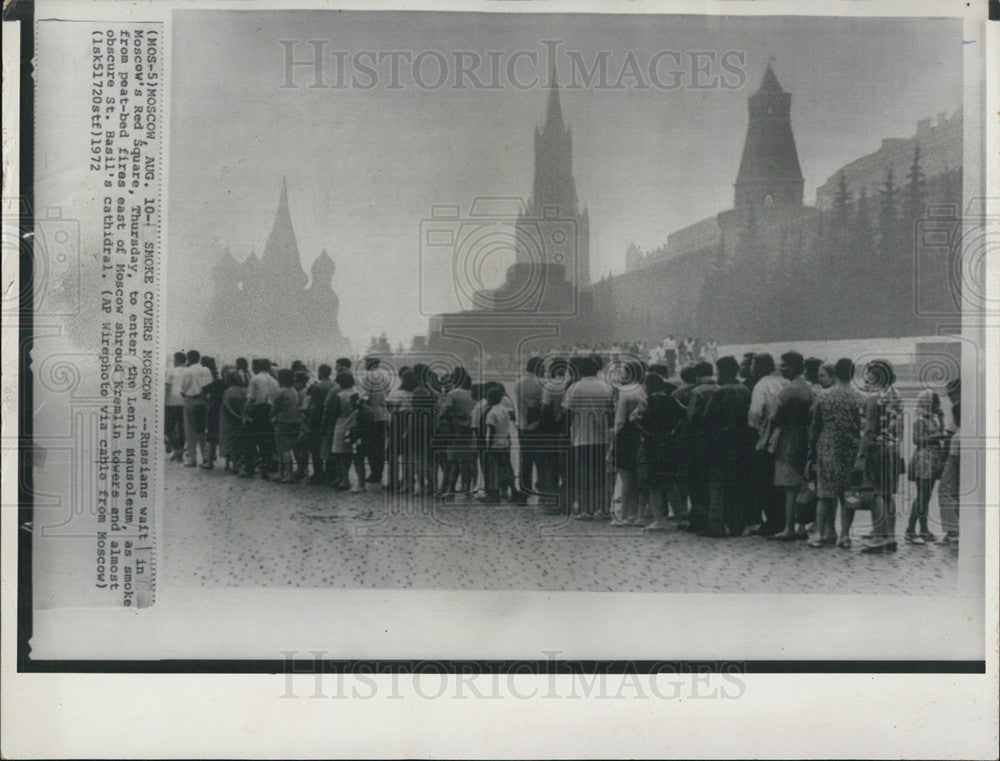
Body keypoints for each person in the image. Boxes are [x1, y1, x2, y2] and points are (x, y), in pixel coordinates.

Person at [807, 358, 862, 548]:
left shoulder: (824, 396)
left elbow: (815, 425)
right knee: (848, 495)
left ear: (836, 374)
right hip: (851, 450)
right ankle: (845, 535)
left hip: (827, 447)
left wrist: (811, 451)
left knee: (824, 494)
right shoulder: (859, 397)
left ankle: (821, 534)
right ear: (853, 374)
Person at [854, 358, 904, 553]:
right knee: (888, 494)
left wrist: (861, 455)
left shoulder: (874, 398)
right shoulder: (896, 395)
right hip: (893, 448)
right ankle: (890, 536)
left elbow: (869, 429)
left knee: (876, 495)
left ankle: (878, 536)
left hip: (877, 449)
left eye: (869, 375)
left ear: (877, 376)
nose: (866, 379)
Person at [701, 356, 753, 537]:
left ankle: (716, 526)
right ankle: (736, 525)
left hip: (720, 444)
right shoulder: (745, 390)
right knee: (737, 485)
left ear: (725, 371)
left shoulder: (720, 392)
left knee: (717, 485)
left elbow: (706, 417)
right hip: (741, 444)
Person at [767, 351, 814, 541]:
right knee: (802, 482)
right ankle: (802, 525)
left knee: (789, 486)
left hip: (788, 437)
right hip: (805, 435)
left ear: (793, 367)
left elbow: (775, 417)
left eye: (784, 365)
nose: (781, 368)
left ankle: (789, 527)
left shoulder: (787, 391)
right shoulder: (808, 388)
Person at [563, 354, 615, 519]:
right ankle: (601, 509)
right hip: (601, 437)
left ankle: (585, 510)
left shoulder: (575, 388)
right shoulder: (606, 387)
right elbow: (611, 411)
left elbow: (567, 412)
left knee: (583, 475)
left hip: (581, 436)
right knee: (600, 474)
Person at [634, 373, 685, 532]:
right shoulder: (672, 400)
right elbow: (685, 414)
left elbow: (635, 418)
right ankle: (680, 518)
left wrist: (645, 430)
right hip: (670, 444)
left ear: (648, 388)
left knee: (654, 484)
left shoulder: (646, 402)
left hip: (652, 445)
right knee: (671, 483)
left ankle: (659, 520)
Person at [747, 353, 788, 535]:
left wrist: (754, 427)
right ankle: (784, 520)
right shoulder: (783, 383)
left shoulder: (760, 386)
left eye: (754, 365)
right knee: (780, 483)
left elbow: (754, 414)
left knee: (764, 483)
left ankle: (772, 521)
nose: (751, 369)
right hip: (784, 437)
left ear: (759, 367)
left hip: (765, 438)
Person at [905, 389, 945, 544]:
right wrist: (937, 436)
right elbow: (917, 439)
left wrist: (941, 419)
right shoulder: (921, 419)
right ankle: (912, 529)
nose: (938, 405)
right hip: (924, 459)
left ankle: (921, 529)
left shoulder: (931, 418)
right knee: (922, 496)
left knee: (925, 497)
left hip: (931, 459)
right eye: (935, 402)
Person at [610, 359, 647, 527]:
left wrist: (613, 440)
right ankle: (636, 513)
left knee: (625, 477)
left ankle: (624, 514)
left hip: (625, 435)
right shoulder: (643, 390)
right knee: (638, 475)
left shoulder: (624, 391)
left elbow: (619, 420)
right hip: (640, 434)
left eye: (624, 371)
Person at [683, 361, 718, 533]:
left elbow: (691, 418)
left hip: (699, 441)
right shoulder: (721, 388)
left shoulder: (697, 392)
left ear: (696, 375)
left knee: (697, 483)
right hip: (717, 441)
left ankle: (698, 521)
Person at [437, 367, 477, 499]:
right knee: (467, 461)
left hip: (454, 430)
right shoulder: (472, 393)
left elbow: (444, 412)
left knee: (452, 461)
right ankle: (467, 489)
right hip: (469, 429)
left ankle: (450, 489)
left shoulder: (453, 394)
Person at [514, 357, 545, 505]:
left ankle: (524, 492)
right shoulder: (542, 384)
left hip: (522, 425)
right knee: (540, 460)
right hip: (538, 426)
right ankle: (542, 490)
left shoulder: (518, 383)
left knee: (525, 460)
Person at [242, 358, 280, 478]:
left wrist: (245, 414)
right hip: (270, 412)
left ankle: (249, 468)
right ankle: (267, 467)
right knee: (267, 441)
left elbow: (250, 399)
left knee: (250, 441)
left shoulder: (255, 379)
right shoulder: (274, 381)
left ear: (257, 367)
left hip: (257, 411)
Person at [180, 349, 213, 467]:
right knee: (202, 430)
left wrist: (185, 393)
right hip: (203, 401)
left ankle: (192, 458)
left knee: (189, 430)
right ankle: (205, 457)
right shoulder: (206, 370)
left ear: (189, 359)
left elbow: (183, 388)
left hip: (190, 400)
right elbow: (209, 386)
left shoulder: (187, 371)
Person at [483, 384, 513, 504]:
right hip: (505, 443)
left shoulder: (491, 413)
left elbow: (491, 430)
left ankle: (494, 495)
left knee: (493, 470)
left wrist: (488, 446)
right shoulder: (505, 410)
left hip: (495, 445)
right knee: (505, 468)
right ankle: (513, 491)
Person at [361, 357, 388, 491]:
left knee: (370, 446)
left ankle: (374, 472)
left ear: (369, 364)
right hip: (383, 414)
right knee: (380, 446)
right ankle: (379, 472)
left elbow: (365, 396)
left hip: (371, 414)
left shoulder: (368, 377)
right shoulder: (385, 375)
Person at [304, 365, 334, 485]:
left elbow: (315, 406)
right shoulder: (334, 385)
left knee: (315, 449)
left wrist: (310, 420)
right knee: (328, 447)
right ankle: (329, 473)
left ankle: (318, 474)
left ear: (320, 373)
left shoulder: (318, 387)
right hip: (330, 419)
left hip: (318, 420)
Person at [271, 368, 301, 483]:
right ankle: (288, 473)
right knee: (289, 448)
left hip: (282, 422)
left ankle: (284, 473)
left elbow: (274, 408)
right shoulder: (294, 391)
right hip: (294, 421)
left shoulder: (280, 392)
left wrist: (270, 416)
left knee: (282, 449)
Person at [937, 400, 960, 544]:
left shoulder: (956, 437)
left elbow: (954, 460)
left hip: (953, 470)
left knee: (945, 494)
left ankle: (952, 532)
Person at [219, 366, 247, 474]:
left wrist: (235, 415)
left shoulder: (228, 392)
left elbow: (227, 407)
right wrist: (241, 417)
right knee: (238, 442)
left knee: (229, 442)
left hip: (228, 420)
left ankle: (230, 464)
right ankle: (238, 464)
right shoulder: (243, 390)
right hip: (240, 419)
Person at [201, 356, 224, 470]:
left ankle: (209, 459)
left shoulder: (214, 381)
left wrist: (207, 401)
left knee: (211, 434)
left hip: (213, 409)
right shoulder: (219, 377)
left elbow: (203, 391)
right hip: (224, 410)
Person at [164, 351, 187, 461]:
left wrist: (165, 400)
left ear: (177, 360)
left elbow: (167, 387)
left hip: (172, 402)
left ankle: (176, 449)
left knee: (169, 427)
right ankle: (180, 450)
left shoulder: (171, 372)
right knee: (182, 428)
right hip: (185, 402)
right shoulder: (188, 371)